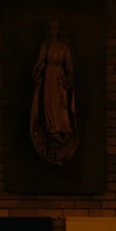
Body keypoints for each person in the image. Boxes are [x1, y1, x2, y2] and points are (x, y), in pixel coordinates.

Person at [29, 19, 78, 167]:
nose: (53, 30)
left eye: (56, 27)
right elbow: (40, 61)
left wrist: (69, 77)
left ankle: (65, 129)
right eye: (51, 28)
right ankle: (53, 130)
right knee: (50, 103)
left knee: (62, 104)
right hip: (49, 77)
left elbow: (69, 65)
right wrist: (37, 72)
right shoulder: (46, 46)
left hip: (59, 77)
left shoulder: (64, 47)